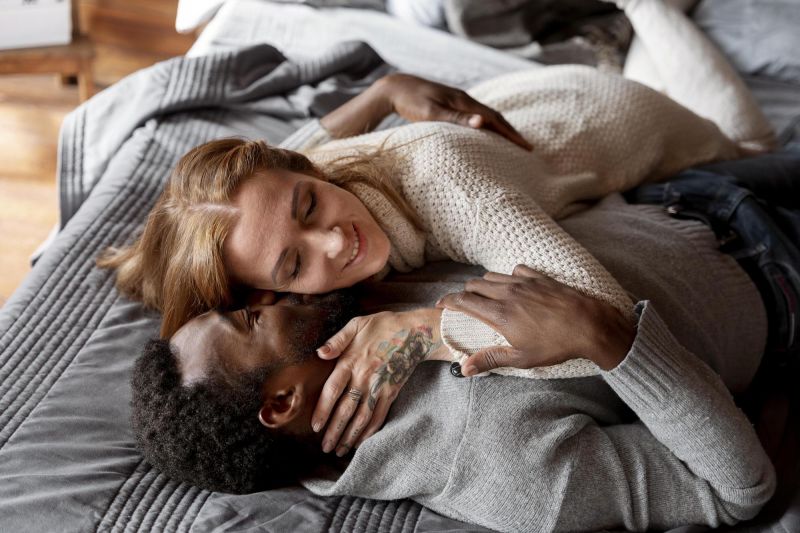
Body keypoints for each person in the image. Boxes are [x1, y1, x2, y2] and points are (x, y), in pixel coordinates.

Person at [105, 0, 779, 456]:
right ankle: (614, 42)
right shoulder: (301, 178)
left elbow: (595, 317)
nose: (336, 241)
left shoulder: (446, 183)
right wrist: (383, 90)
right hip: (534, 119)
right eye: (292, 267)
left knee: (748, 143)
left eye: (308, 206)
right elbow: (308, 143)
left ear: (301, 172)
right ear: (259, 294)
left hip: (630, 126)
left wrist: (423, 332)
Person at [131, 261, 777, 532]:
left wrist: (383, 94)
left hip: (663, 188)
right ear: (280, 403)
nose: (265, 292)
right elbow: (736, 491)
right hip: (768, 271)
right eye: (249, 319)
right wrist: (604, 337)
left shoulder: (341, 307)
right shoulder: (504, 468)